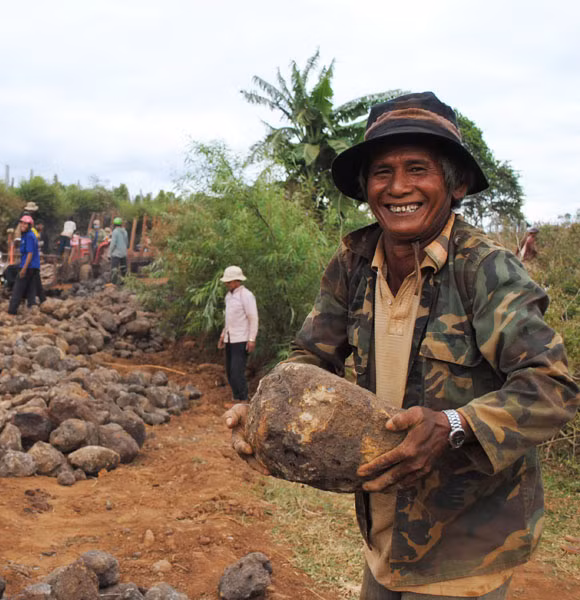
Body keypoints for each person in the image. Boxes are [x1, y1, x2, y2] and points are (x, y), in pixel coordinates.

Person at [225, 92, 578, 599]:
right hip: (383, 537)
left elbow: (552, 387)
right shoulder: (353, 261)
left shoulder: (486, 270)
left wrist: (454, 425)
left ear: (454, 184)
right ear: (366, 187)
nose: (398, 188)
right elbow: (309, 356)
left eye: (418, 169)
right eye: (382, 172)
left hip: (465, 550)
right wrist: (265, 411)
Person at [217, 266, 258, 405]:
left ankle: (244, 399)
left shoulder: (246, 295)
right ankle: (236, 397)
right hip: (230, 338)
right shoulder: (229, 297)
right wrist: (223, 335)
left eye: (229, 282)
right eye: (226, 282)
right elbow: (228, 320)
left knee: (237, 371)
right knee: (229, 371)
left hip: (241, 339)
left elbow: (253, 318)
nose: (227, 284)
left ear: (237, 281)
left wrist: (252, 339)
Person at [7, 215, 40, 315]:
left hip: (29, 266)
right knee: (30, 288)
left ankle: (12, 311)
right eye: (22, 223)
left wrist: (24, 269)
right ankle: (31, 308)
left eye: (25, 224)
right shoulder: (25, 235)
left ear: (29, 225)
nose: (23, 225)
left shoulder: (29, 236)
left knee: (18, 289)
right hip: (32, 266)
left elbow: (30, 253)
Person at [109, 217, 129, 284]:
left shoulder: (115, 232)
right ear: (121, 224)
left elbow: (113, 243)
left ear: (114, 224)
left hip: (116, 254)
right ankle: (125, 282)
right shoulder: (125, 232)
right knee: (124, 269)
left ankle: (114, 283)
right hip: (123, 253)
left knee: (114, 269)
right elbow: (126, 242)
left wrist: (109, 253)